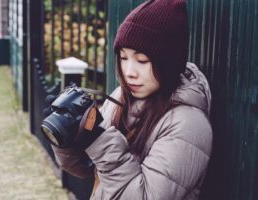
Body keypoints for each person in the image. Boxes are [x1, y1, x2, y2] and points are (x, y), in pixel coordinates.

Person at [50, 0, 213, 199]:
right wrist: (66, 136)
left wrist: (99, 140)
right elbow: (89, 168)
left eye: (142, 60)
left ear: (168, 62)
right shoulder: (121, 96)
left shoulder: (188, 124)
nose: (129, 72)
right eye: (123, 58)